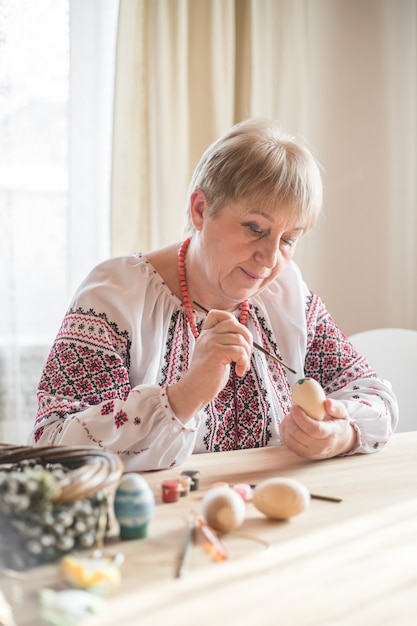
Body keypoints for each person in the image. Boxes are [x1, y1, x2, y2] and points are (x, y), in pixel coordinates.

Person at [28, 118, 398, 471]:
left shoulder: (284, 296)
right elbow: (53, 443)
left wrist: (341, 434)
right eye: (255, 228)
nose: (269, 259)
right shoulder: (116, 296)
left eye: (288, 240)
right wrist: (183, 395)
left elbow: (374, 396)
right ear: (201, 209)